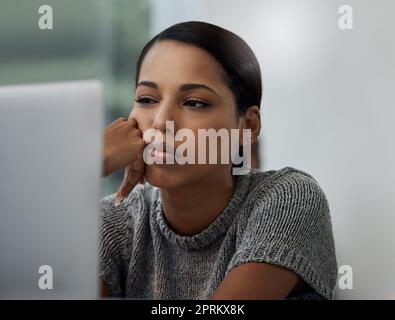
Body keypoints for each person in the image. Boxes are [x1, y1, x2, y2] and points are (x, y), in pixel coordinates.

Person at [100, 21, 337, 299]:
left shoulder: (289, 199)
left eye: (194, 103)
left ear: (247, 127)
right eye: (147, 99)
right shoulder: (117, 219)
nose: (161, 121)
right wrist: (86, 162)